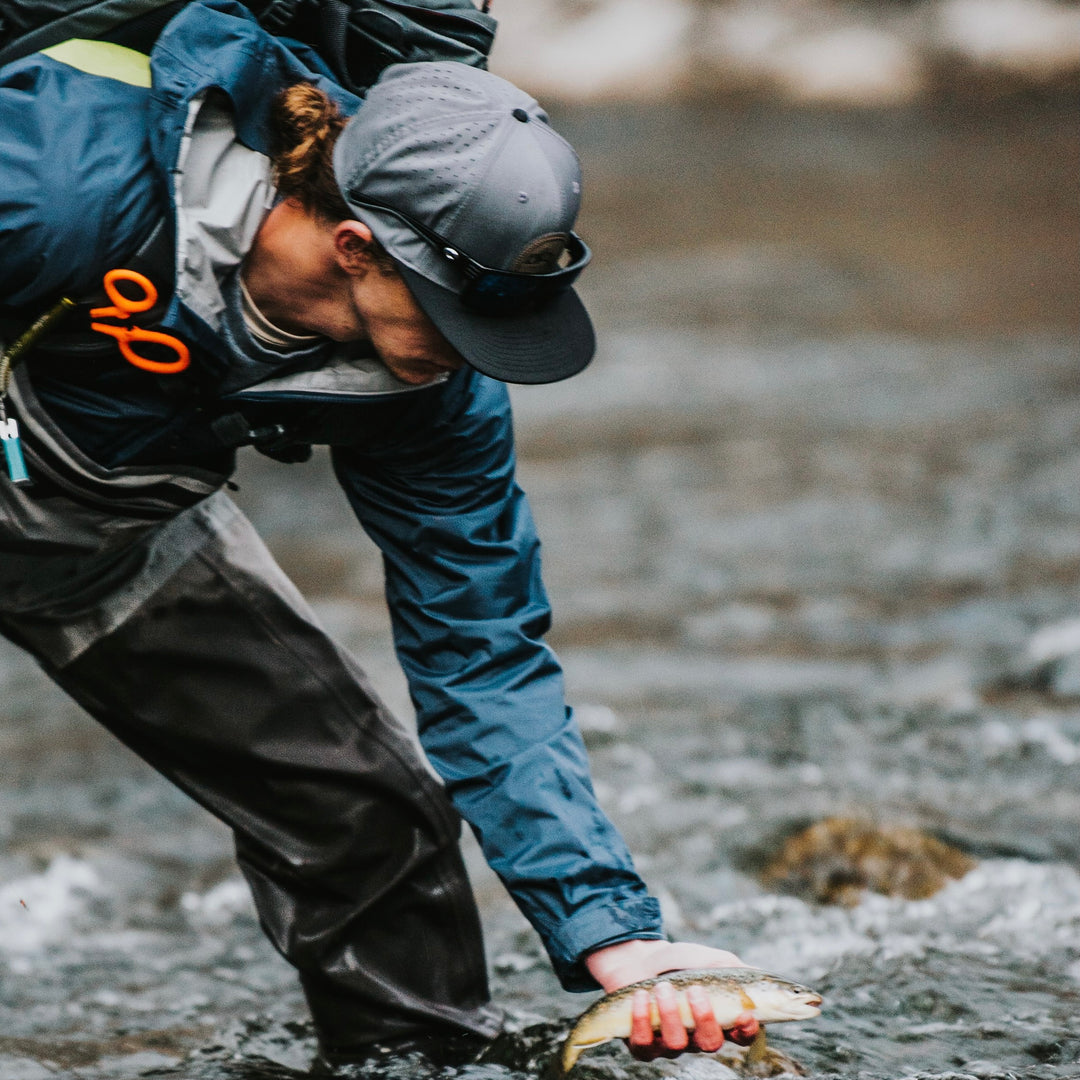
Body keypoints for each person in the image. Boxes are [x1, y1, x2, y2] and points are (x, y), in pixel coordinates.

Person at [0, 0, 760, 1068]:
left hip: (100, 531)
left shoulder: (434, 391)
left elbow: (483, 654)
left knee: (371, 821)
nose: (476, 359)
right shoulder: (59, 184)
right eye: (459, 323)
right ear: (357, 246)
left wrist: (617, 935)